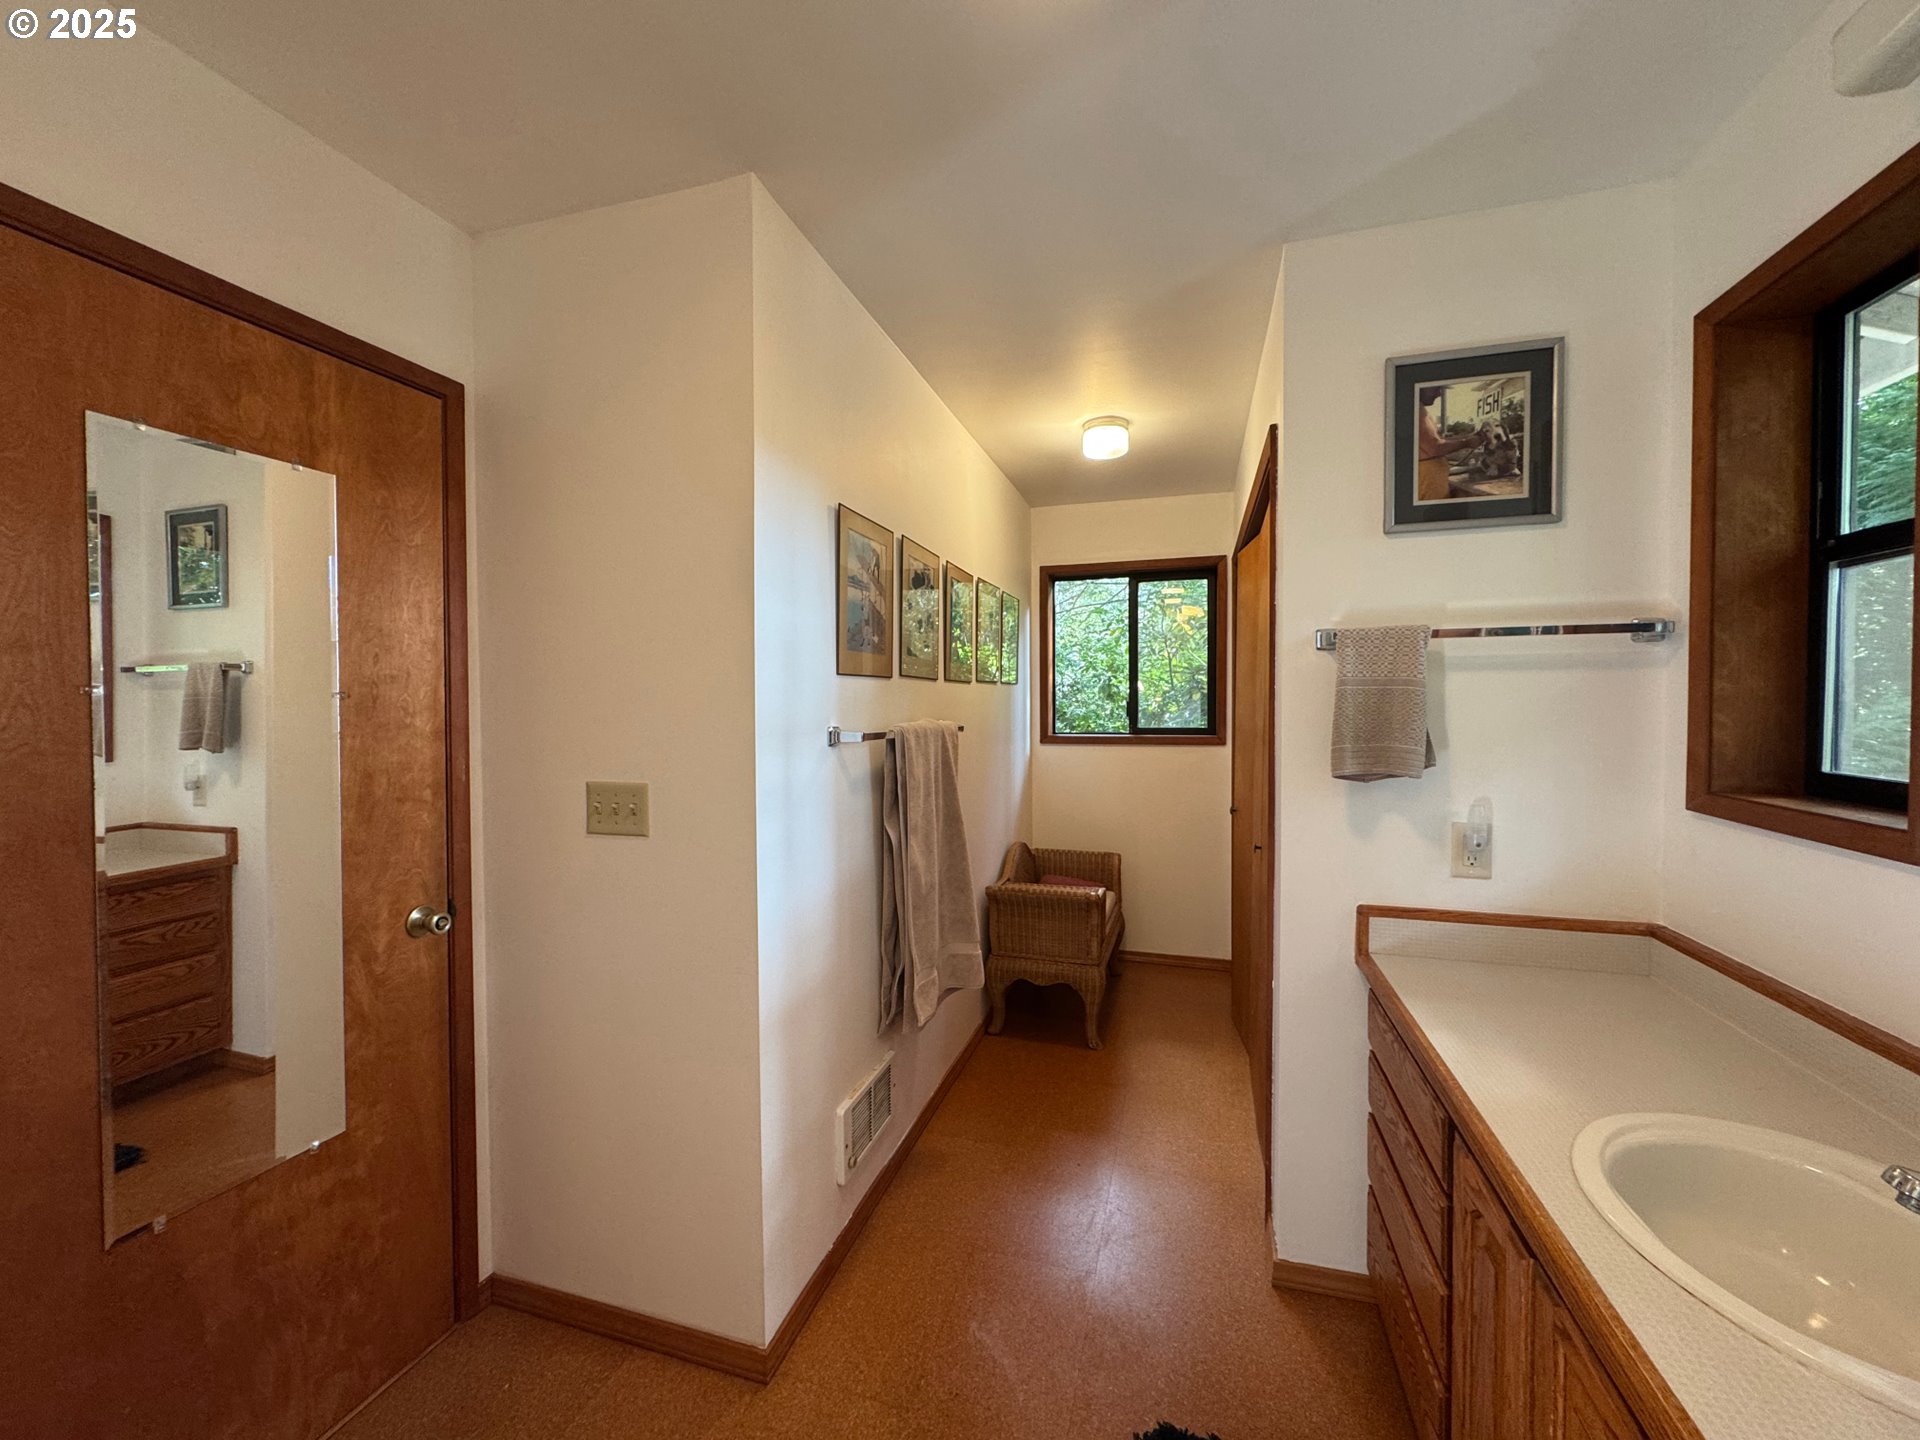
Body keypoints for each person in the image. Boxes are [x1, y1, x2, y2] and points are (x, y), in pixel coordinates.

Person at [1416, 386, 1491, 501]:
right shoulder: (1416, 410)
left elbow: (1438, 441)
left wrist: (1471, 436)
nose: (1439, 394)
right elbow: (1435, 447)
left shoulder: (1419, 409)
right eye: (1436, 388)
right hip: (1428, 480)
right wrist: (1467, 442)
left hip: (1430, 479)